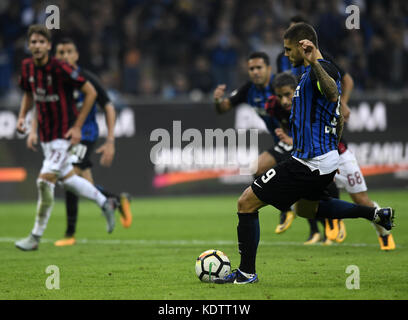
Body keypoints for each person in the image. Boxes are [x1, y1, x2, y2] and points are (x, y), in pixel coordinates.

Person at [215, 23, 395, 284]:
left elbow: (333, 93)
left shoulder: (318, 71)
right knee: (307, 210)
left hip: (308, 162)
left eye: (289, 50)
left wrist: (315, 63)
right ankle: (375, 214)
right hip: (323, 161)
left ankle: (245, 273)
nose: (286, 55)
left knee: (245, 203)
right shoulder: (308, 74)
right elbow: (334, 113)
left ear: (303, 46)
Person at [277, 16, 395, 250]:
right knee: (304, 205)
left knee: (360, 198)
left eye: (289, 47)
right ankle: (335, 223)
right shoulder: (301, 77)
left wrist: (343, 102)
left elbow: (338, 87)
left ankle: (381, 231)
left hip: (334, 152)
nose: (287, 53)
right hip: (316, 154)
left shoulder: (322, 65)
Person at [15, 25, 116, 251]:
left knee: (44, 182)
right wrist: (23, 118)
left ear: (49, 46)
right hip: (46, 138)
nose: (38, 46)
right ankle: (105, 202)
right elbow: (30, 94)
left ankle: (35, 236)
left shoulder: (60, 69)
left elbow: (91, 92)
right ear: (29, 45)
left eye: (42, 42)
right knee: (69, 180)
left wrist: (78, 126)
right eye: (34, 42)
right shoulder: (27, 67)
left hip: (63, 135)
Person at [213, 51, 295, 234]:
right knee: (258, 169)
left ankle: (296, 214)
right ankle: (287, 210)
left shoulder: (280, 86)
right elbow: (223, 108)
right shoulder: (248, 90)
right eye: (251, 68)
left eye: (259, 68)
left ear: (269, 69)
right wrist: (218, 99)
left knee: (308, 191)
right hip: (281, 142)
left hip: (299, 140)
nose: (255, 72)